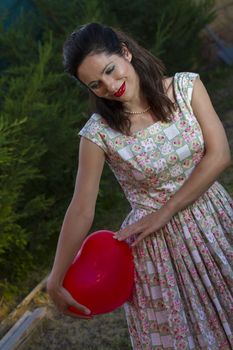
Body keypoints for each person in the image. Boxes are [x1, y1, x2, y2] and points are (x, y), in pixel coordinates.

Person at [47, 22, 233, 349]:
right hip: (159, 250)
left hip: (212, 220)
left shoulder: (186, 88)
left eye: (110, 70)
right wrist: (55, 279)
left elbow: (219, 157)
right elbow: (81, 208)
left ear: (125, 53)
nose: (109, 85)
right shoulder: (98, 134)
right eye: (96, 84)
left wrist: (166, 211)